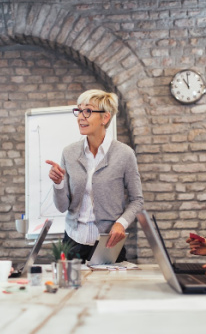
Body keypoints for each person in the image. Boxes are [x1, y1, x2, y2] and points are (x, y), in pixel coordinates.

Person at [46, 90, 144, 262]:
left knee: (108, 288)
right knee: (72, 288)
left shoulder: (124, 154)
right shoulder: (69, 153)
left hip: (108, 243)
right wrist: (59, 184)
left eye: (88, 111)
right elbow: (62, 207)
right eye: (79, 110)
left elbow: (137, 200)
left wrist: (121, 223)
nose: (80, 117)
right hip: (73, 241)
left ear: (105, 118)